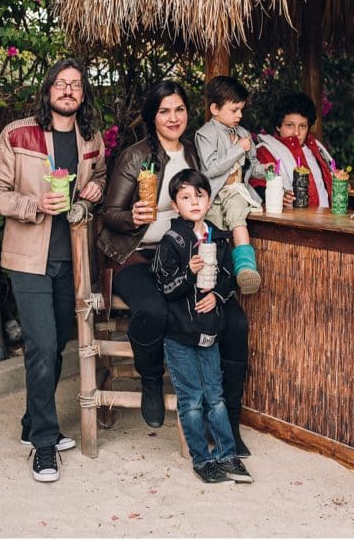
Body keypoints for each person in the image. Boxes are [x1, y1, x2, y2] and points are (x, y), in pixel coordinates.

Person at [99, 81, 251, 457]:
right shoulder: (136, 157)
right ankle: (150, 379)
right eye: (164, 110)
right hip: (138, 254)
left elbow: (218, 193)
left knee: (235, 321)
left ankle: (228, 421)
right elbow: (110, 214)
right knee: (152, 309)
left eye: (179, 109)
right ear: (153, 116)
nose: (173, 117)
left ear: (188, 113)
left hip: (190, 254)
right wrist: (133, 217)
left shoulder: (196, 154)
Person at [0, 59, 107, 482]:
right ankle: (44, 444)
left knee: (54, 347)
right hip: (27, 258)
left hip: (71, 259)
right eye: (61, 83)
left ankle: (29, 424)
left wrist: (93, 193)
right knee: (40, 345)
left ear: (83, 93)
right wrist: (33, 205)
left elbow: (102, 178)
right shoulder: (18, 134)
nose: (68, 90)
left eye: (76, 84)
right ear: (48, 88)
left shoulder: (91, 138)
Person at [151, 169, 253, 484]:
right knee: (192, 399)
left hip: (210, 331)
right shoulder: (172, 240)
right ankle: (202, 458)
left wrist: (218, 297)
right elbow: (164, 286)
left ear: (209, 200)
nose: (194, 202)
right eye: (185, 197)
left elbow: (228, 278)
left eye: (200, 195)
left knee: (216, 395)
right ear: (175, 204)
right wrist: (188, 271)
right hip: (180, 333)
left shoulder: (216, 235)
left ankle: (227, 455)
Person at [194, 75, 265, 294]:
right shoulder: (205, 134)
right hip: (215, 193)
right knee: (213, 237)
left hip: (238, 191)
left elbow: (253, 165)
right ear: (215, 108)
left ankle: (246, 268)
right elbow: (211, 168)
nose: (239, 115)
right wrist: (238, 149)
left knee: (236, 215)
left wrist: (268, 170)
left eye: (241, 110)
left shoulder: (243, 134)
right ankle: (212, 282)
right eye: (234, 110)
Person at [251, 92, 334, 209]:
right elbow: (256, 186)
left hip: (325, 220)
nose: (296, 133)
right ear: (278, 126)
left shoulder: (315, 148)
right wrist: (279, 196)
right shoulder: (266, 151)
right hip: (291, 223)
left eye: (303, 126)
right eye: (290, 125)